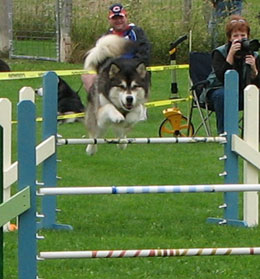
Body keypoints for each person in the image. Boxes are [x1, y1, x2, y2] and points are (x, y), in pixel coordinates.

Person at [201, 15, 260, 135]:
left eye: (243, 35)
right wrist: (230, 56)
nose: (239, 39)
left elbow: (257, 84)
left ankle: (254, 134)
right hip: (218, 90)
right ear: (229, 38)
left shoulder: (254, 55)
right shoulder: (220, 52)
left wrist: (254, 69)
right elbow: (222, 77)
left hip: (243, 92)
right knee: (224, 95)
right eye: (235, 36)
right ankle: (225, 134)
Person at [81, 3, 151, 92]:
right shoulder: (106, 37)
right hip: (112, 74)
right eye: (114, 18)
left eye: (120, 17)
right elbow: (101, 60)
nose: (118, 21)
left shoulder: (136, 32)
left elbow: (144, 55)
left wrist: (129, 67)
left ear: (126, 17)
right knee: (88, 77)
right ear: (109, 20)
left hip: (133, 72)